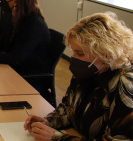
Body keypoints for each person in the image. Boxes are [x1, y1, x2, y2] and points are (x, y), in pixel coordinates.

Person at [24, 12, 133, 141]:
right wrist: (47, 122)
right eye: (73, 52)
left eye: (80, 53)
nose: (73, 58)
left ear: (105, 54)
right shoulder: (87, 72)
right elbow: (67, 109)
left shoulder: (124, 85)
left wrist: (58, 138)